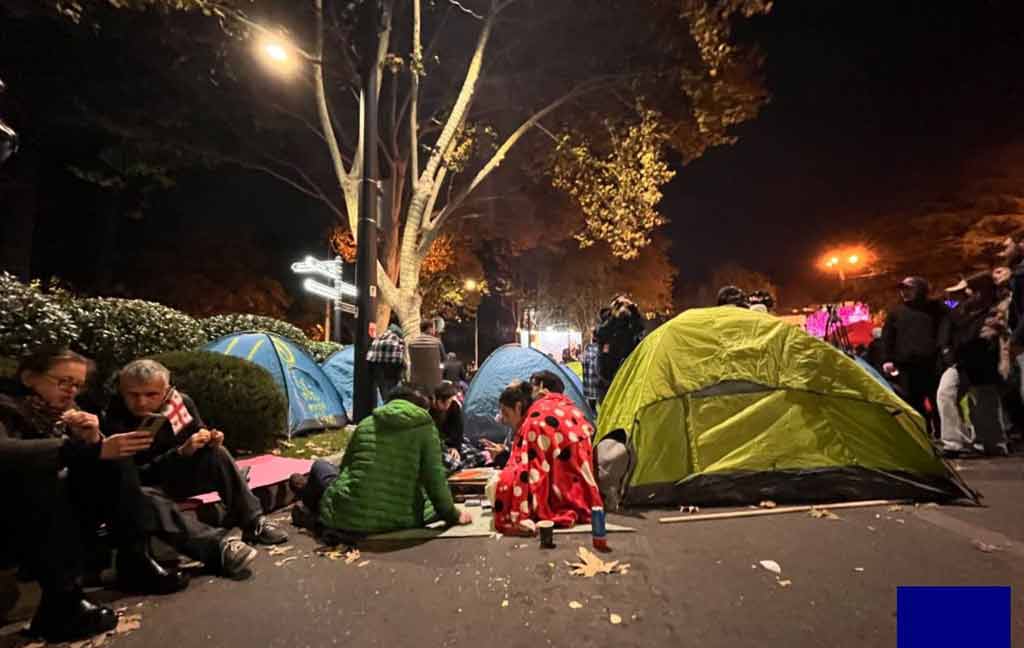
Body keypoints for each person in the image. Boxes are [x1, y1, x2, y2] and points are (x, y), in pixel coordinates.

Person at [0, 348, 197, 642]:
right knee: (46, 480)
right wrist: (83, 449)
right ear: (30, 377)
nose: (71, 392)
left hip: (59, 510)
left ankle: (135, 560)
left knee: (116, 460)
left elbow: (89, 457)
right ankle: (61, 603)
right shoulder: (6, 406)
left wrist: (94, 438)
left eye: (77, 385)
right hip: (16, 512)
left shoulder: (65, 413)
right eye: (63, 382)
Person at [104, 359, 287, 546]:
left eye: (151, 394)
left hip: (181, 477)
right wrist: (181, 452)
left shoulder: (181, 404)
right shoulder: (114, 418)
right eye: (132, 395)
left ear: (167, 392)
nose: (141, 402)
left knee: (217, 454)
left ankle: (253, 522)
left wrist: (210, 439)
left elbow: (199, 433)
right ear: (121, 392)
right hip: (146, 489)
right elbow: (135, 475)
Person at [314, 384, 473, 535]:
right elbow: (435, 481)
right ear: (423, 407)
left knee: (320, 467)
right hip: (401, 518)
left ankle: (309, 504)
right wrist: (454, 515)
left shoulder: (365, 424)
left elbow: (346, 470)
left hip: (351, 515)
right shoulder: (425, 429)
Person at [488, 381, 604, 536]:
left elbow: (531, 470)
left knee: (507, 483)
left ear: (518, 407)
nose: (505, 420)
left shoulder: (533, 423)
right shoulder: (544, 405)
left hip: (569, 460)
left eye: (506, 413)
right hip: (581, 453)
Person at [938, 273, 1011, 456]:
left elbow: (987, 336)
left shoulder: (994, 309)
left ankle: (992, 443)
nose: (965, 292)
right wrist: (948, 350)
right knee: (946, 394)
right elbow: (946, 316)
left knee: (985, 403)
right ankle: (954, 443)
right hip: (960, 362)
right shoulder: (960, 309)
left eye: (969, 289)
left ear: (979, 291)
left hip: (983, 362)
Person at [881, 277, 947, 435]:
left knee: (937, 399)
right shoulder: (896, 313)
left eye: (909, 288)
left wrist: (943, 350)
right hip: (907, 365)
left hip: (933, 363)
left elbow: (946, 329)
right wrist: (887, 359)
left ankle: (942, 433)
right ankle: (922, 433)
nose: (904, 292)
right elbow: (888, 337)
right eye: (903, 289)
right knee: (913, 401)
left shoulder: (936, 309)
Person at [594, 296, 645, 403]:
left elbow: (640, 328)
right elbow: (600, 334)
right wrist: (614, 316)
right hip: (607, 379)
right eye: (619, 305)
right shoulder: (607, 320)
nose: (622, 309)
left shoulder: (630, 324)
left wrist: (632, 308)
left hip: (627, 376)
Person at [367, 323, 406, 401]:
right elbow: (401, 358)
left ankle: (385, 402)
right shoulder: (398, 338)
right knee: (392, 388)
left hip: (376, 365)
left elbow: (371, 354)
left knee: (383, 387)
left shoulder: (380, 336)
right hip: (392, 366)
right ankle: (390, 403)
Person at [581, 331, 600, 411]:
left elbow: (583, 362)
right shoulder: (601, 349)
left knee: (592, 404)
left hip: (589, 382)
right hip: (600, 380)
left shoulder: (587, 349)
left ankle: (592, 414)